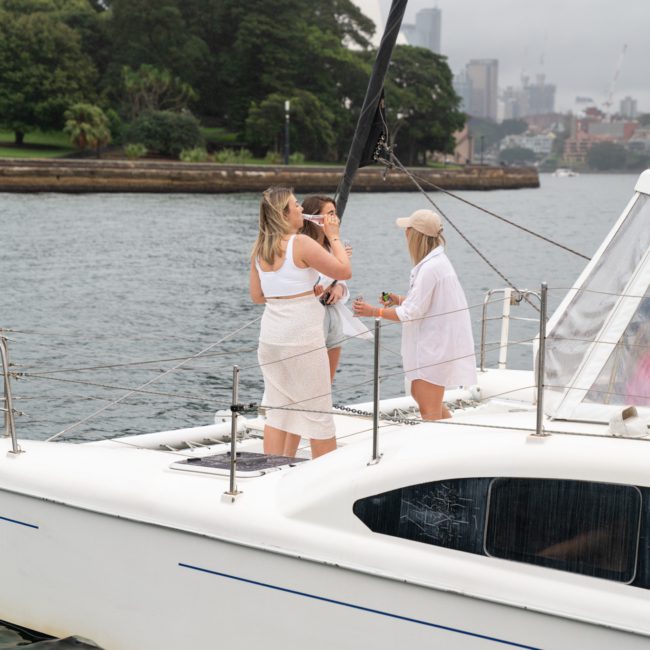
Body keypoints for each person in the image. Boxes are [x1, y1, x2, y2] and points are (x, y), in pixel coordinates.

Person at [249, 187, 351, 459]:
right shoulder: (301, 243)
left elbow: (258, 296)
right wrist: (334, 237)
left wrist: (297, 288)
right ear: (284, 213)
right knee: (318, 411)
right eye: (296, 205)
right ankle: (325, 479)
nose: (301, 210)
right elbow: (344, 271)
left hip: (271, 336)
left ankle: (270, 470)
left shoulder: (260, 247)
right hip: (301, 337)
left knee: (277, 410)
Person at [353, 209, 476, 421]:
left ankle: (438, 449)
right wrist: (398, 299)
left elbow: (412, 312)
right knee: (422, 396)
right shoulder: (436, 263)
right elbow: (425, 304)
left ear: (412, 234)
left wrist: (373, 311)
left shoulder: (431, 268)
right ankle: (452, 437)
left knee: (427, 405)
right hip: (437, 342)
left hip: (435, 346)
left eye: (407, 230)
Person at [300, 194, 360, 382]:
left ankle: (324, 408)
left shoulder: (332, 245)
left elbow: (342, 280)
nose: (335, 219)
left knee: (328, 379)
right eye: (330, 214)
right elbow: (309, 284)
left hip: (333, 313)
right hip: (312, 316)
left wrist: (340, 287)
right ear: (314, 217)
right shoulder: (301, 246)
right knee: (309, 377)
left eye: (335, 214)